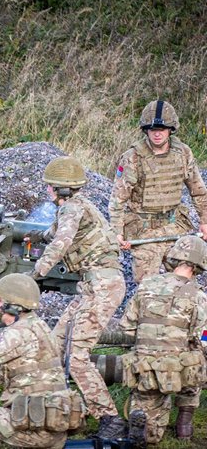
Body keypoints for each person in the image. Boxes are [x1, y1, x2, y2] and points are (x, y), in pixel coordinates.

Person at [26, 156, 127, 438]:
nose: (47, 191)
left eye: (50, 187)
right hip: (91, 287)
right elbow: (53, 233)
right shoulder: (76, 207)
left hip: (102, 287)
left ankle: (110, 419)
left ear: (59, 189)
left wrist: (34, 274)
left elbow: (62, 242)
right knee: (56, 346)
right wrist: (36, 235)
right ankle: (64, 412)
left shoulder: (71, 209)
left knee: (78, 357)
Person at [0, 274, 84, 449]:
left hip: (37, 426)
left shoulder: (18, 333)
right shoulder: (37, 325)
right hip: (50, 421)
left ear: (11, 306)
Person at [119, 235, 207, 445]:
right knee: (198, 363)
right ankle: (184, 425)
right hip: (177, 369)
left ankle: (142, 425)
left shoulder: (147, 285)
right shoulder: (198, 295)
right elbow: (203, 337)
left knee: (148, 430)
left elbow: (128, 326)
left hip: (144, 368)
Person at [109, 100, 207, 282]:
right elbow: (118, 199)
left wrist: (205, 221)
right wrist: (116, 231)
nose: (157, 134)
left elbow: (199, 191)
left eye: (161, 129)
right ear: (146, 130)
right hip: (143, 228)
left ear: (170, 130)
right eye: (152, 129)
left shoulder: (183, 153)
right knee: (147, 288)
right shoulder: (133, 157)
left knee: (184, 283)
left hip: (175, 225)